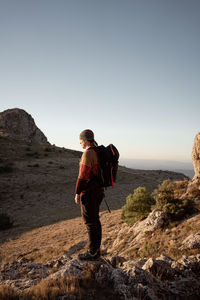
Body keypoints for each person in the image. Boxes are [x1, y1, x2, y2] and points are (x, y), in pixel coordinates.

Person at [75, 129, 105, 260]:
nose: (80, 143)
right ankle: (96, 251)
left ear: (86, 140)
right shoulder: (98, 151)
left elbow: (83, 177)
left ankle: (92, 253)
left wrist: (77, 193)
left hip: (89, 193)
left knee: (90, 223)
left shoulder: (87, 154)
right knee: (95, 221)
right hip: (99, 191)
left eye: (81, 141)